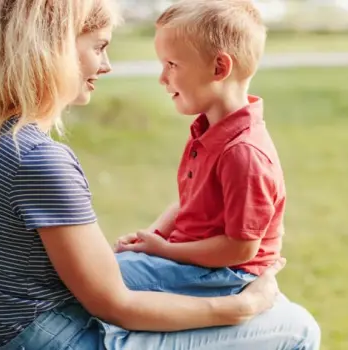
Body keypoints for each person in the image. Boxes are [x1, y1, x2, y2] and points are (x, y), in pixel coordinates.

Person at [0, 0, 321, 349]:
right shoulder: (37, 160)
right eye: (99, 46)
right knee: (300, 328)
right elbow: (116, 304)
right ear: (52, 51)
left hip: (21, 333)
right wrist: (240, 307)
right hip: (66, 338)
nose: (106, 65)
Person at [114, 0, 286, 300]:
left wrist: (166, 251)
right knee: (104, 269)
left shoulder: (243, 152)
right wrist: (152, 237)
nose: (162, 78)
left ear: (219, 67)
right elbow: (189, 202)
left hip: (230, 274)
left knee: (103, 277)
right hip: (197, 262)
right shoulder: (208, 131)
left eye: (172, 65)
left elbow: (241, 247)